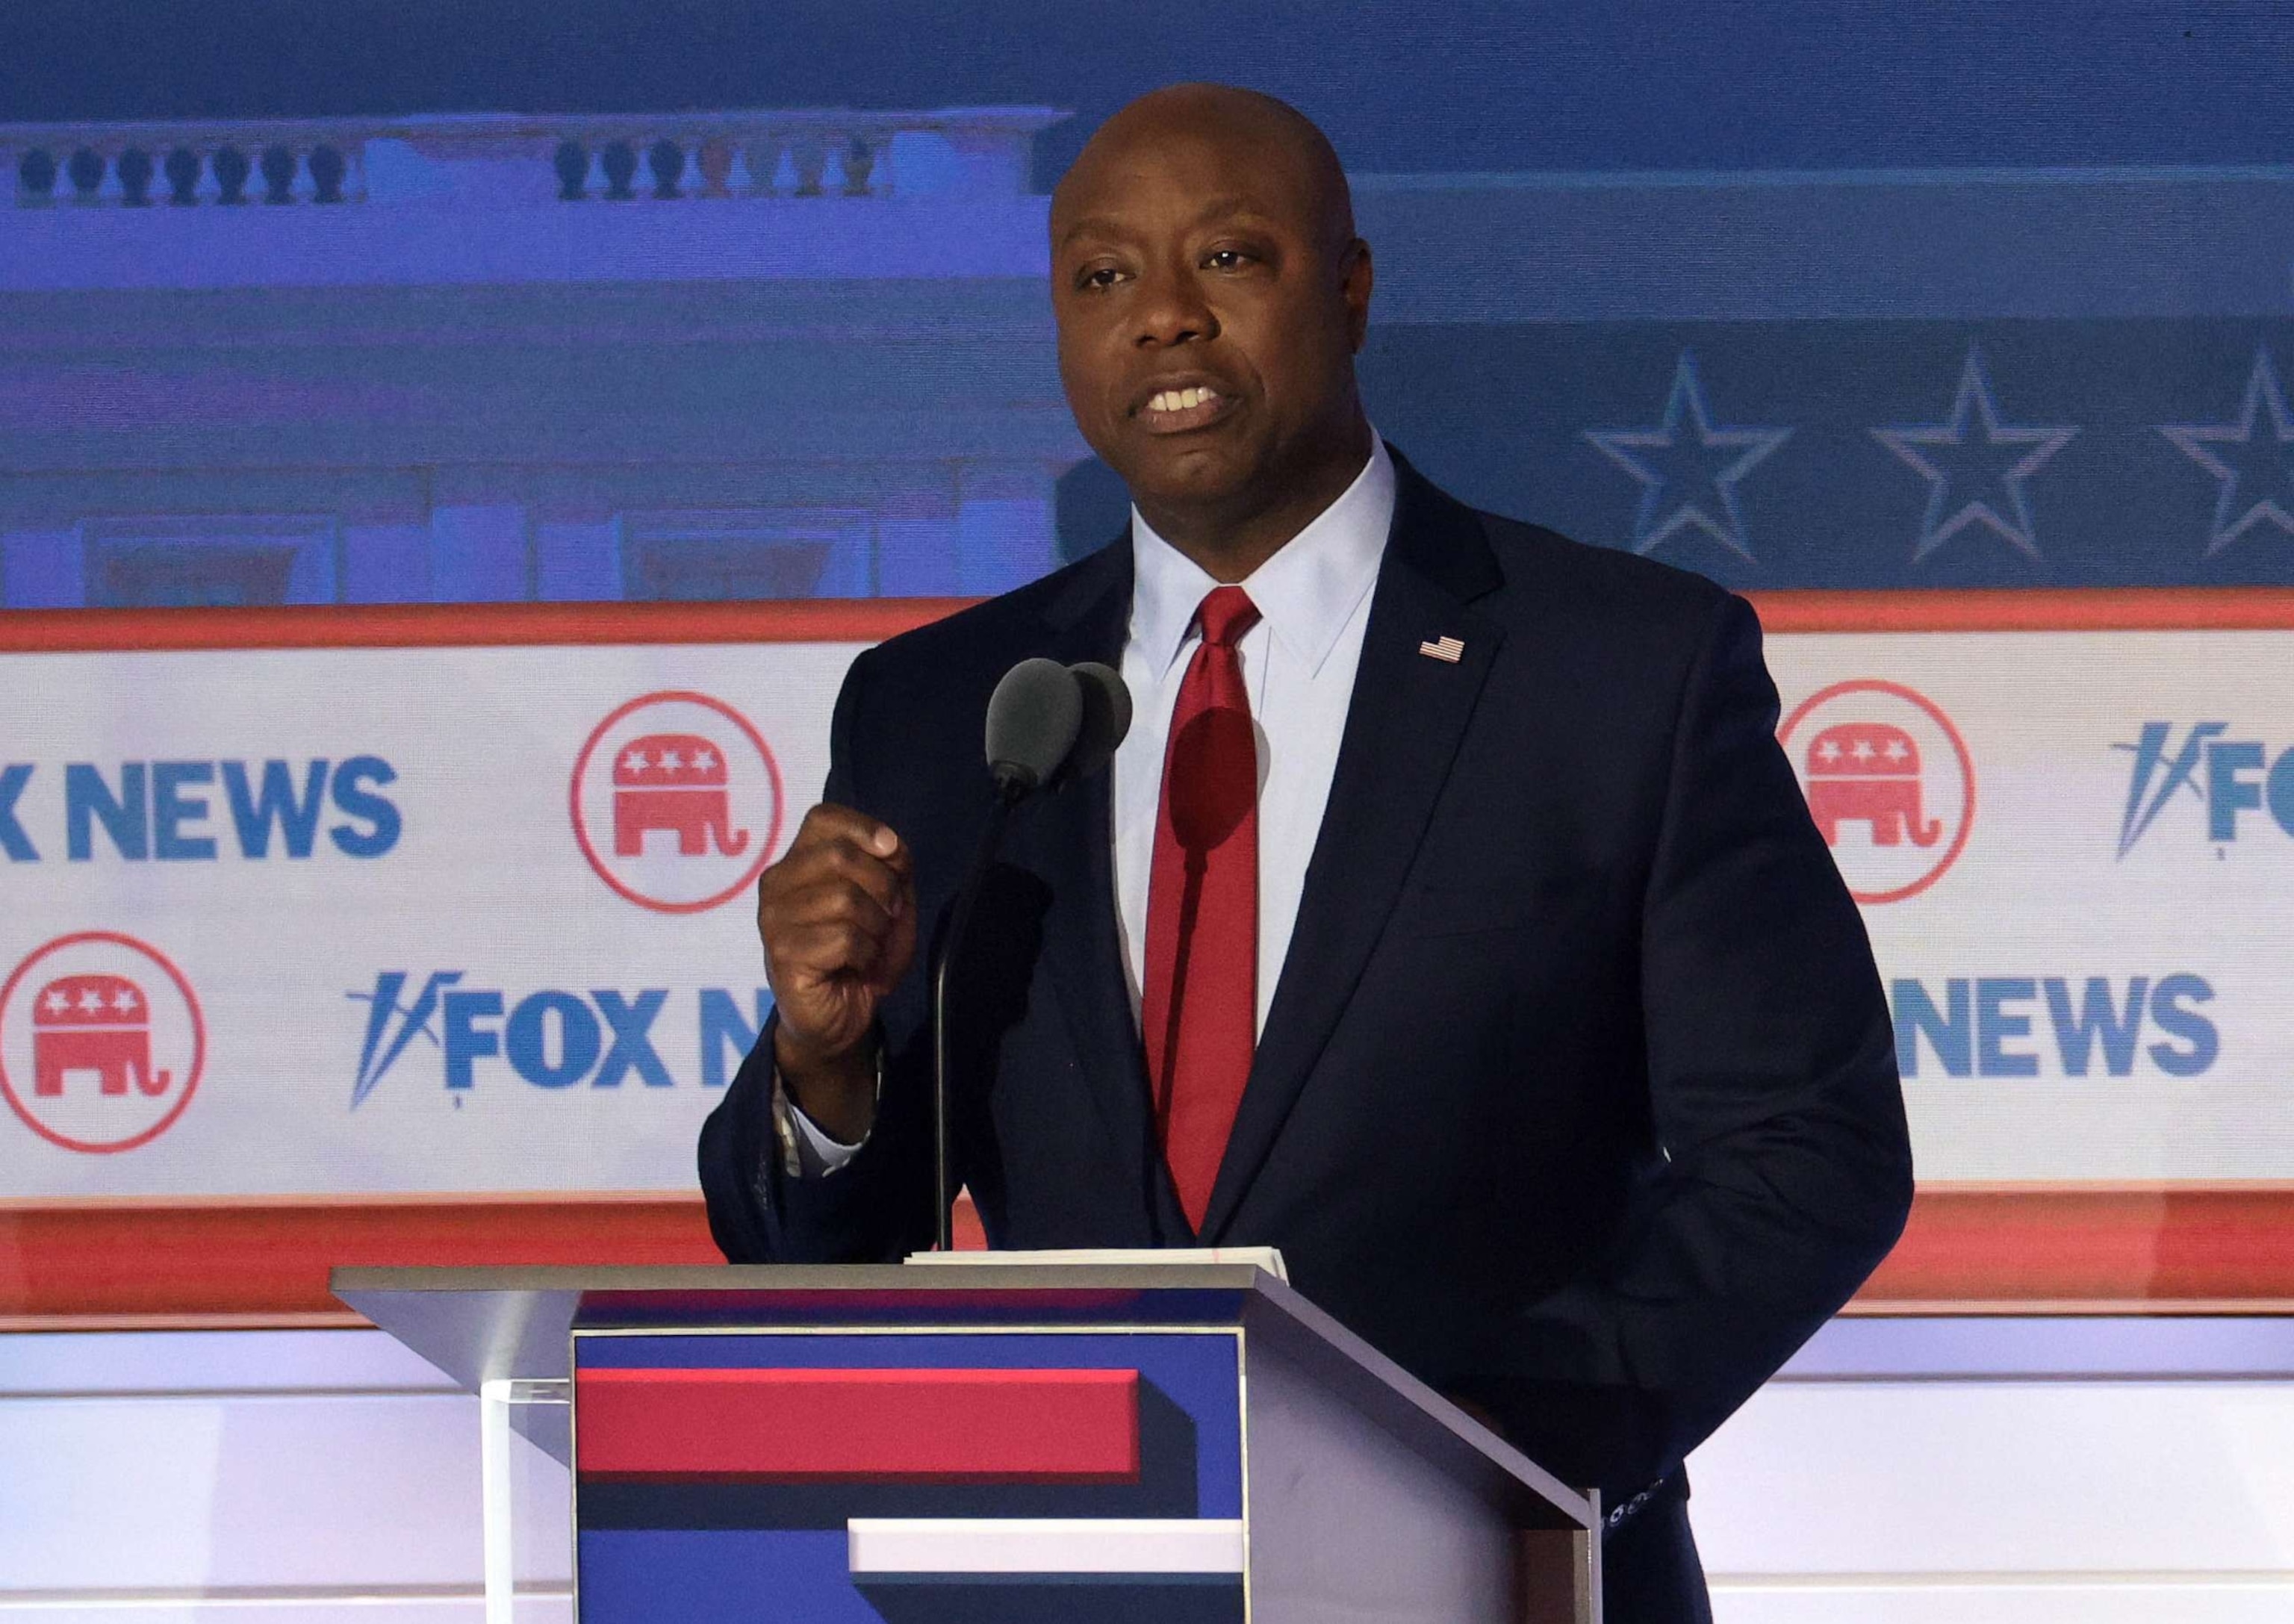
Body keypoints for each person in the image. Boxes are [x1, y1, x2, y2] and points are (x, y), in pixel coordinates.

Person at [700, 82, 1912, 1623]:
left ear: (1348, 285)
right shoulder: (946, 711)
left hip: (1499, 1572)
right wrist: (824, 1070)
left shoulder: (1620, 670)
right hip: (1065, 1578)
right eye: (1102, 279)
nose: (1162, 321)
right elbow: (816, 1250)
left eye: (1227, 259)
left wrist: (1488, 1448)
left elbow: (1810, 1152)